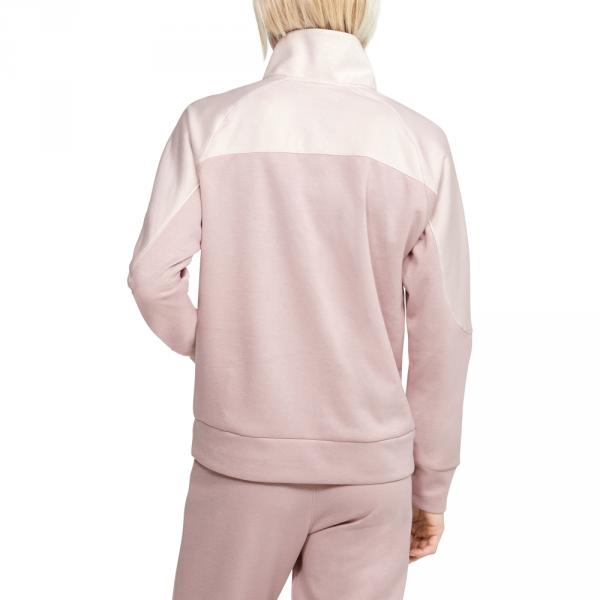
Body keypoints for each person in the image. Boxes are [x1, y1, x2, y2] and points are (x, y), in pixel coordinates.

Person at [127, 1, 472, 597]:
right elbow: (445, 333)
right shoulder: (420, 144)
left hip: (244, 460)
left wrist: (224, 349)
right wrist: (431, 486)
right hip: (371, 471)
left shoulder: (213, 123)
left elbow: (151, 275)